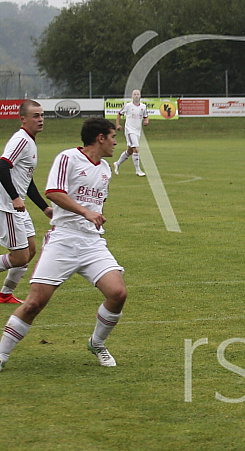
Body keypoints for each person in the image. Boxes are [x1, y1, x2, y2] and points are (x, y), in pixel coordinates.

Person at [0, 118, 128, 371]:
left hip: (92, 241)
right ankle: (2, 355)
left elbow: (95, 204)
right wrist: (86, 213)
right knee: (35, 303)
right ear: (100, 138)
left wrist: (93, 216)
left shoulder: (105, 168)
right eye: (113, 136)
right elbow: (54, 192)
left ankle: (97, 343)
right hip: (63, 239)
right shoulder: (67, 157)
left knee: (118, 294)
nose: (115, 142)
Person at [0, 100, 53, 304]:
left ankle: (5, 294)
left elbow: (27, 182)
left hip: (16, 205)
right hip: (6, 205)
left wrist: (45, 208)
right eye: (35, 116)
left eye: (41, 115)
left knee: (30, 250)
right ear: (23, 119)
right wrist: (14, 198)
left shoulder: (30, 141)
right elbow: (2, 166)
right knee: (19, 257)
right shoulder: (21, 140)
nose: (40, 120)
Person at [114, 89, 148, 176]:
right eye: (134, 94)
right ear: (132, 96)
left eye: (138, 94)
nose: (136, 96)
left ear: (140, 96)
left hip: (137, 131)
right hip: (129, 130)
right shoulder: (128, 106)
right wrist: (117, 125)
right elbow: (119, 114)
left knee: (130, 151)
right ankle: (138, 170)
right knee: (136, 148)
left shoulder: (143, 106)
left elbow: (145, 116)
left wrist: (146, 121)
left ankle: (117, 163)